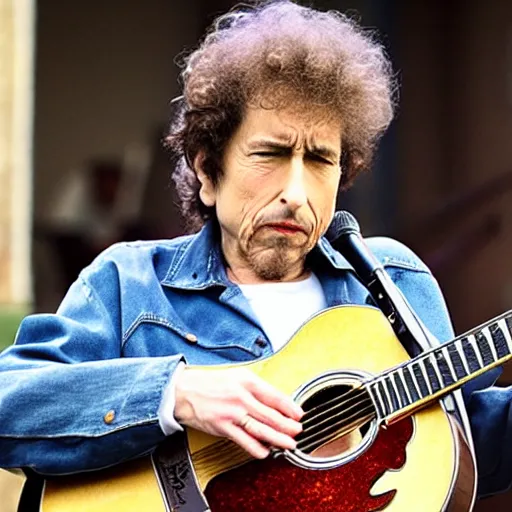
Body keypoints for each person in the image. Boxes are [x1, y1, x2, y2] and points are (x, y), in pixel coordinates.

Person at [0, 0, 510, 502]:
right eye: (270, 153)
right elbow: (9, 405)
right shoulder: (130, 282)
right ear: (206, 171)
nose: (295, 191)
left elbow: (465, 449)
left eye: (319, 160)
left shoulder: (395, 280)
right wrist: (173, 394)